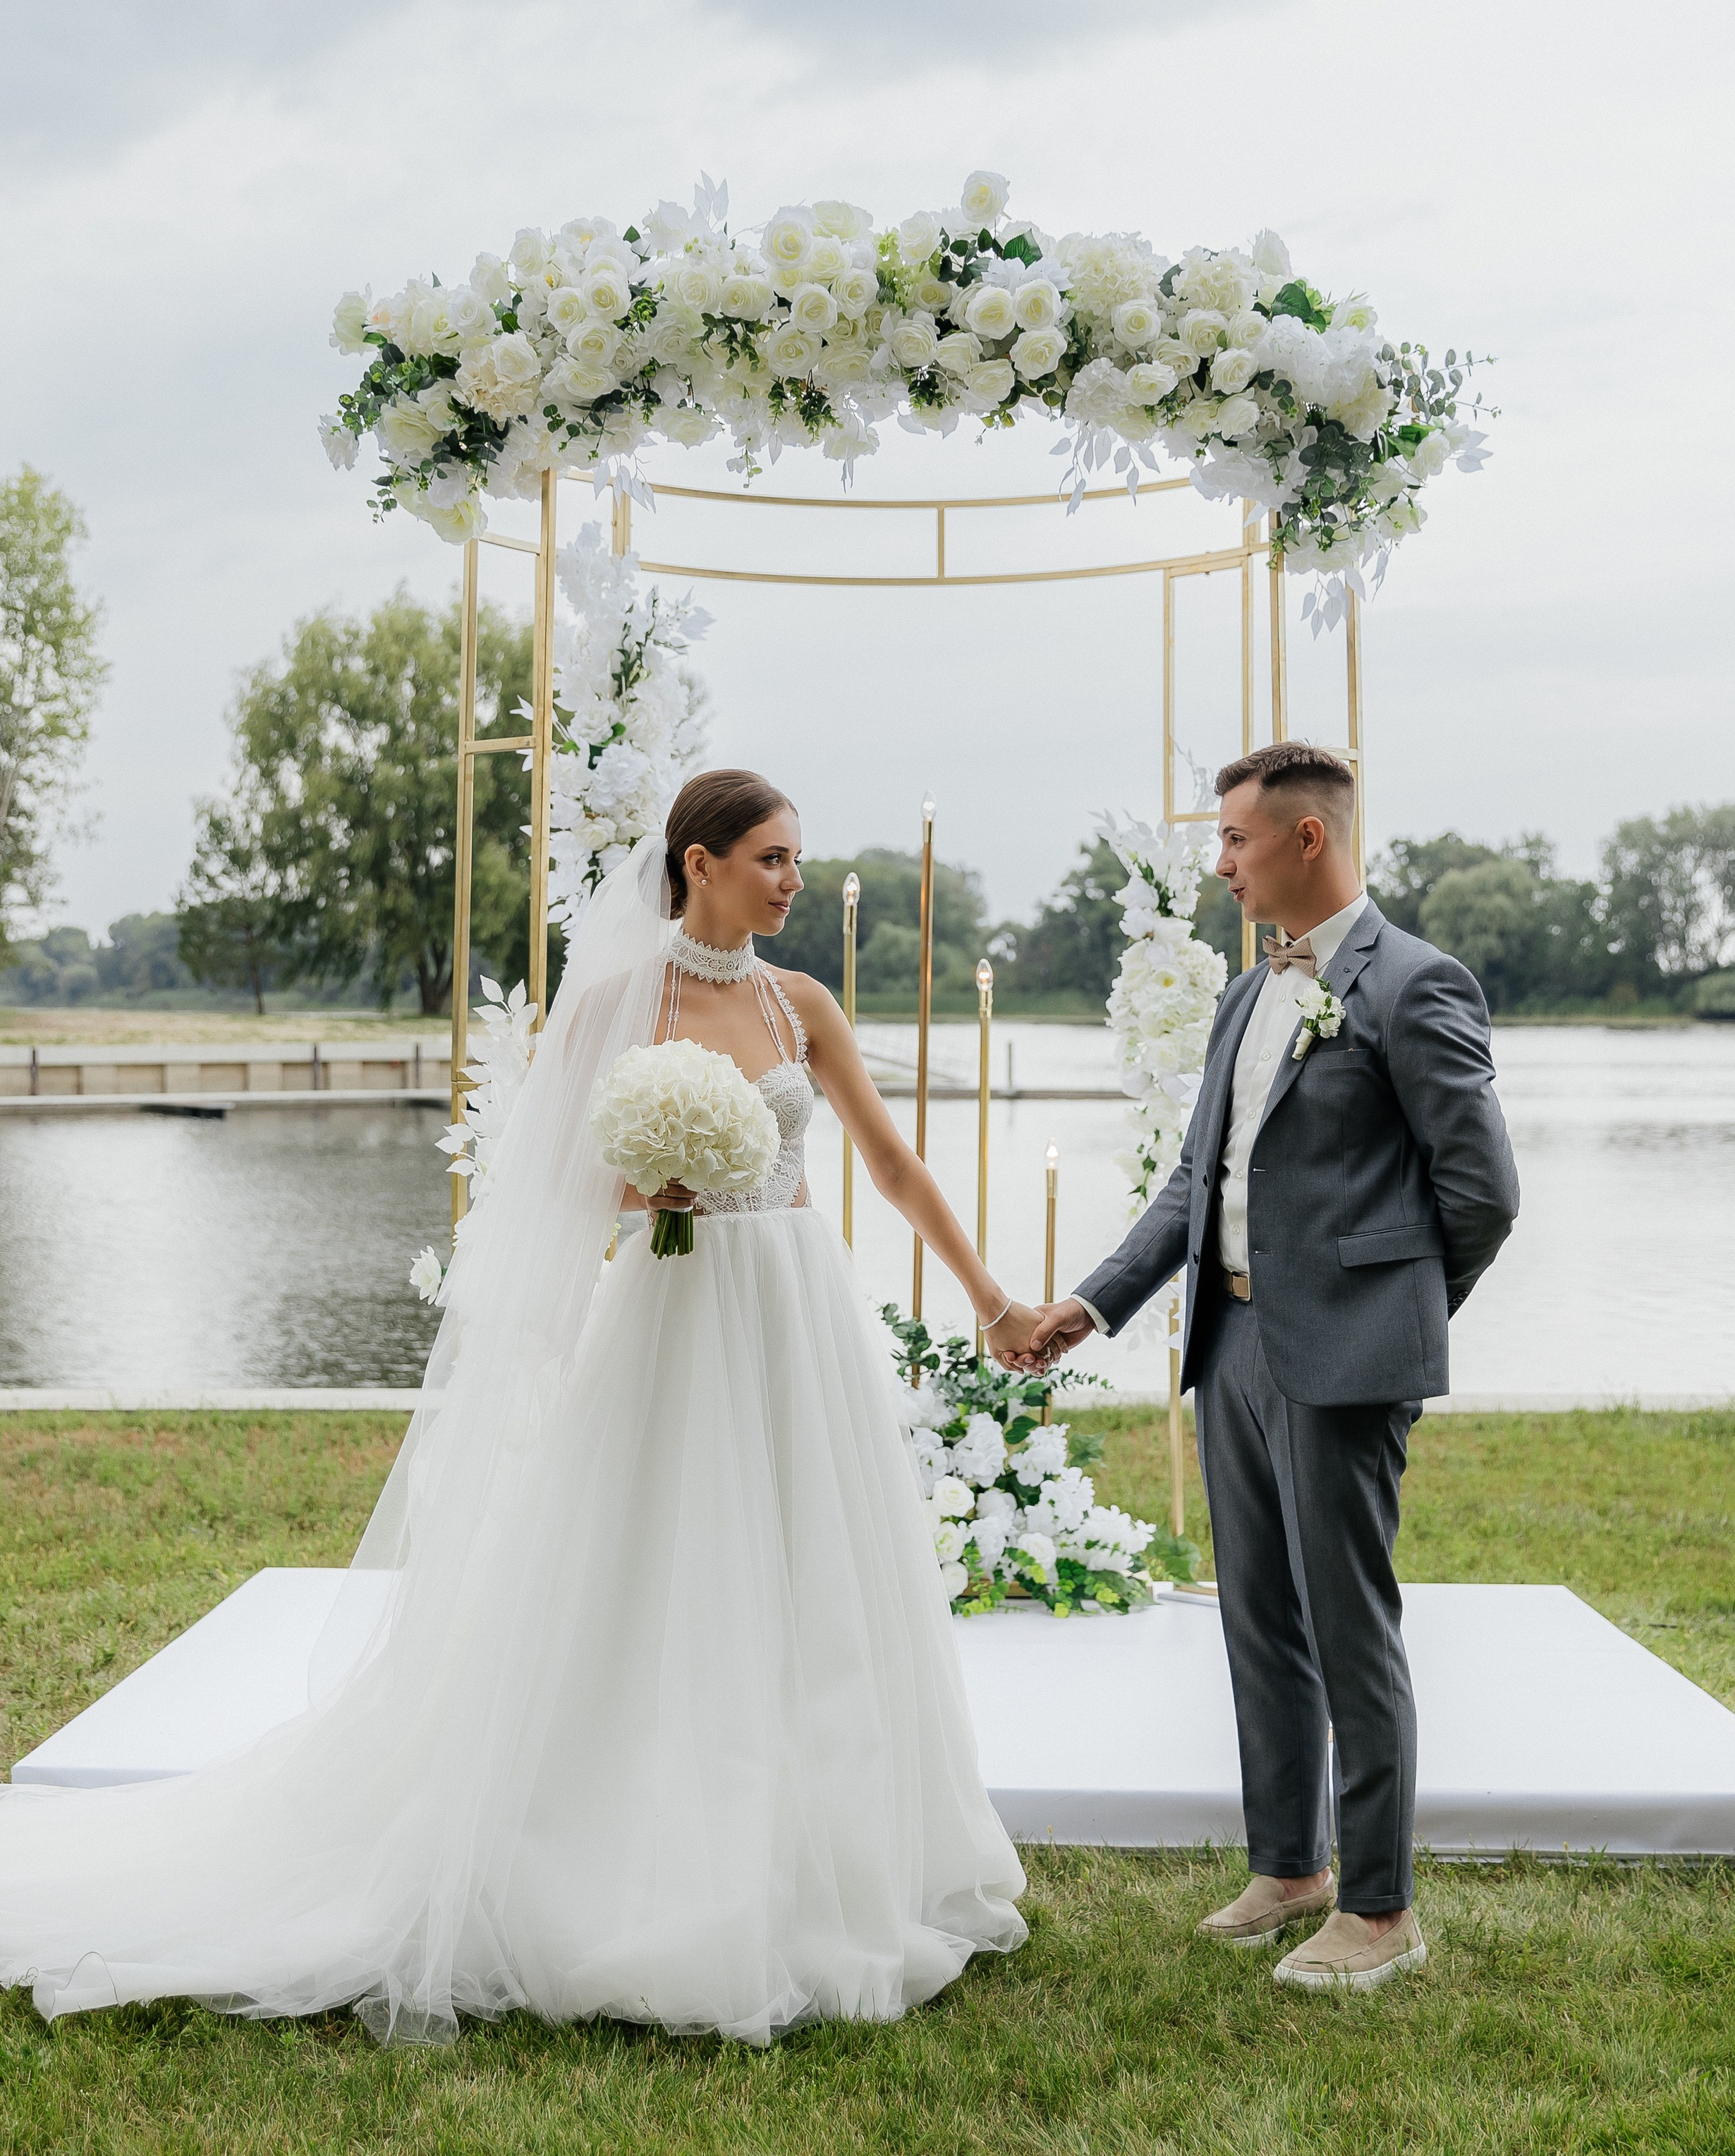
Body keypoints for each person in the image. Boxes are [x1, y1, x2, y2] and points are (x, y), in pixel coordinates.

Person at [1, 770, 1036, 2044]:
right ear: (699, 861)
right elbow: (550, 1185)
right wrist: (648, 1189)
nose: (791, 882)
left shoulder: (799, 1001)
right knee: (652, 1572)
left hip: (795, 1312)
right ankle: (626, 1851)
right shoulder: (612, 1006)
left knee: (819, 1570)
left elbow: (887, 1161)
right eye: (770, 858)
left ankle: (830, 1850)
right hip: (674, 1319)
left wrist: (991, 1301)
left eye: (796, 861)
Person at [1021, 742, 1518, 1991]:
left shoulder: (1415, 984)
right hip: (1229, 1342)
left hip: (1344, 1354)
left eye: (1236, 841)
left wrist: (1392, 1317)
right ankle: (1290, 1864)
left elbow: (1484, 1195)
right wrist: (1092, 1303)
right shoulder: (1248, 997)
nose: (1221, 865)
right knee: (1259, 1621)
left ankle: (1384, 1909)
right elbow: (1197, 1181)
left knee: (1354, 1628)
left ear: (1308, 839)